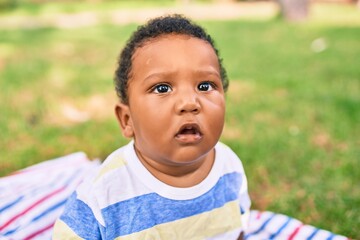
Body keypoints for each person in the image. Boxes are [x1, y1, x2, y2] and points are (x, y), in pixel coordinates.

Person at [53, 14, 251, 240]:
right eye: (162, 88)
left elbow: (238, 228)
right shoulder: (105, 195)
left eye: (205, 85)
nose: (189, 102)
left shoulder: (230, 168)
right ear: (127, 120)